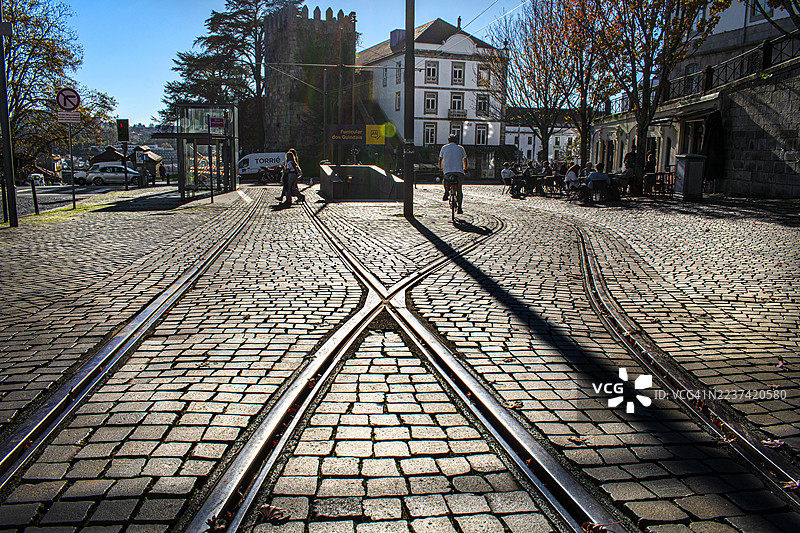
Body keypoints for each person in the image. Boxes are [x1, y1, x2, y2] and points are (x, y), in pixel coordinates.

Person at [439, 133, 467, 214]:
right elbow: (465, 159)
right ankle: (460, 208)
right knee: (459, 189)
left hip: (447, 171)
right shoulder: (461, 148)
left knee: (445, 179)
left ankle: (446, 192)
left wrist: (441, 168)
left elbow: (441, 159)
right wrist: (465, 169)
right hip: (459, 172)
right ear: (456, 141)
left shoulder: (444, 148)